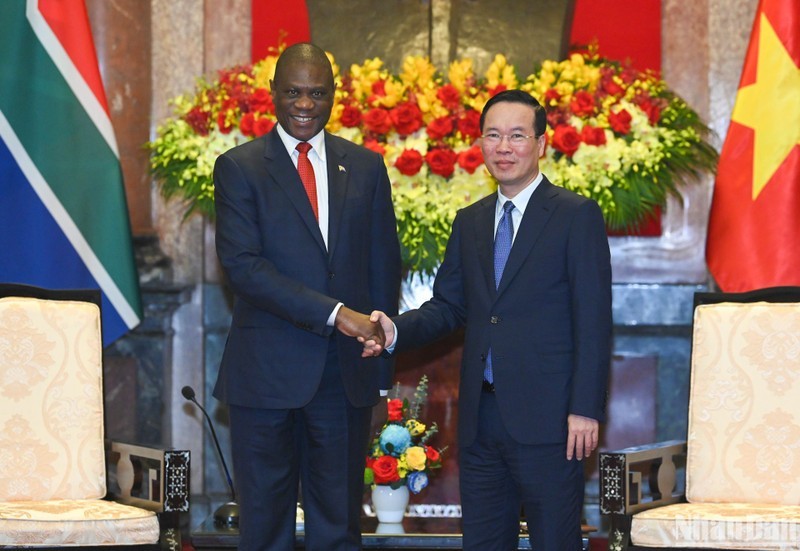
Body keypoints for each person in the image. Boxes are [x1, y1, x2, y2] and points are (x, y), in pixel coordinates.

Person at [365, 90, 612, 550]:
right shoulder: (471, 222)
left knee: (555, 541)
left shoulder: (575, 216)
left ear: (541, 144)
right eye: (494, 135)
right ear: (480, 144)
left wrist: (585, 409)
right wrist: (394, 329)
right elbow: (449, 307)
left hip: (552, 420)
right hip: (482, 420)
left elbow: (593, 320)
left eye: (517, 135)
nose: (504, 147)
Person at [213, 42, 402, 550]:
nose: (304, 104)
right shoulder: (240, 167)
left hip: (344, 378)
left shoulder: (365, 167)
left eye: (316, 93)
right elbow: (244, 269)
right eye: (293, 92)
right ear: (273, 93)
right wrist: (337, 315)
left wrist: (380, 360)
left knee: (338, 527)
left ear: (334, 96)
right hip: (265, 377)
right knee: (265, 528)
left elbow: (384, 267)